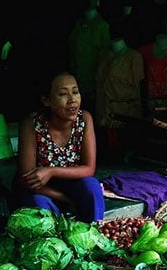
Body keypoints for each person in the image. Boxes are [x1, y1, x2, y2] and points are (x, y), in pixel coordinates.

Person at [14, 71, 105, 222]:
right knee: (38, 205)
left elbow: (89, 168)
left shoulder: (84, 119)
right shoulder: (31, 124)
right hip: (40, 190)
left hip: (71, 184)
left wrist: (51, 171)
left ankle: (93, 233)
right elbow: (27, 179)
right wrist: (64, 199)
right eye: (63, 94)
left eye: (75, 92)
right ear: (46, 100)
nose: (72, 100)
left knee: (92, 186)